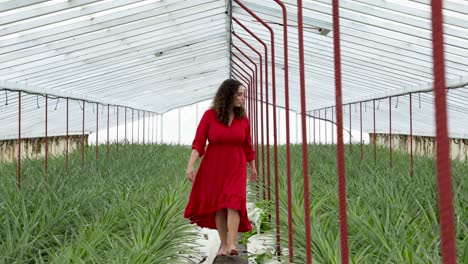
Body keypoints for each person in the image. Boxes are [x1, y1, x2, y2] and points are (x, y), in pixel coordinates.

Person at [184, 79, 257, 256]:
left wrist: (253, 167)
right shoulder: (210, 115)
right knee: (218, 205)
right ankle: (223, 244)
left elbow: (247, 145)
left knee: (233, 202)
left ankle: (232, 244)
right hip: (214, 165)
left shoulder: (243, 119)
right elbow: (199, 142)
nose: (242, 98)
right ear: (228, 95)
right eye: (239, 94)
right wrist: (191, 164)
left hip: (236, 165)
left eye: (243, 95)